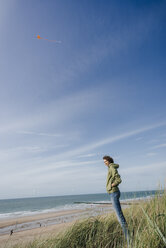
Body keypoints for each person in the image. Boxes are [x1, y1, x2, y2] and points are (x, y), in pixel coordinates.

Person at [103, 155, 129, 243]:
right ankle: (127, 237)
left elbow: (118, 179)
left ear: (109, 161)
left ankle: (129, 240)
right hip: (113, 193)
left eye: (106, 161)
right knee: (120, 217)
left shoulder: (111, 167)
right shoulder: (110, 168)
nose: (105, 163)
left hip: (114, 193)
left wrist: (112, 185)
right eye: (104, 162)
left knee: (120, 217)